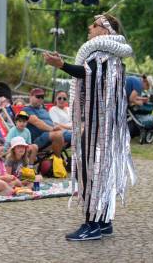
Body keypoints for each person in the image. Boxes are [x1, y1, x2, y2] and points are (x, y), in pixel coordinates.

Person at [43, 13, 135, 241]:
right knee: (101, 171)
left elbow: (86, 73)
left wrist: (61, 64)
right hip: (106, 126)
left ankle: (91, 225)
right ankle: (104, 221)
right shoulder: (113, 56)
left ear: (104, 32)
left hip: (98, 126)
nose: (89, 27)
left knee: (90, 170)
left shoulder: (101, 55)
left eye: (94, 25)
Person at [23, 88, 71, 157]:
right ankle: (58, 160)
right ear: (30, 96)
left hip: (52, 134)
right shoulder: (26, 110)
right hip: (38, 139)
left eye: (42, 97)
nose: (40, 99)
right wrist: (53, 129)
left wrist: (59, 128)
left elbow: (52, 123)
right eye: (38, 97)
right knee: (58, 134)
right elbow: (37, 123)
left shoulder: (43, 110)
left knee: (80, 134)